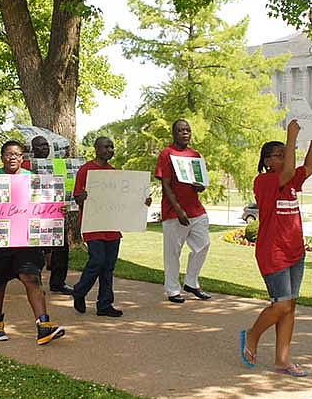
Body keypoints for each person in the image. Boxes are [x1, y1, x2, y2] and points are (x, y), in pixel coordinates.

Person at [240, 118, 312, 377]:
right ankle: (252, 335)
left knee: (290, 306)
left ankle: (283, 361)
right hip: (272, 252)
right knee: (281, 305)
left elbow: (308, 166)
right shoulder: (264, 182)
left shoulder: (291, 182)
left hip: (295, 252)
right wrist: (290, 138)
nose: (286, 157)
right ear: (267, 161)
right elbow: (287, 172)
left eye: (285, 154)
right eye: (279, 155)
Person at [0, 140, 65, 345]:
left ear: (23, 158)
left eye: (17, 154)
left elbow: (45, 207)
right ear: (2, 156)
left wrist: (57, 210)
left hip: (26, 242)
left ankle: (43, 326)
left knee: (32, 278)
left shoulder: (32, 180)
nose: (12, 157)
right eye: (8, 154)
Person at [72, 137, 151, 317]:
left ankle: (105, 304)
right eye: (106, 147)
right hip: (93, 225)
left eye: (112, 147)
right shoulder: (86, 170)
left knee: (108, 266)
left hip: (112, 226)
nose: (110, 150)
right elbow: (77, 198)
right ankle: (79, 291)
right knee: (97, 261)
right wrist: (82, 197)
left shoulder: (114, 173)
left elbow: (123, 200)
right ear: (96, 149)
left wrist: (142, 202)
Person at [155, 119, 212, 303]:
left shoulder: (195, 155)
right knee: (173, 253)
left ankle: (191, 282)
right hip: (174, 213)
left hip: (196, 210)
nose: (185, 133)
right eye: (180, 130)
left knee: (203, 244)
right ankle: (172, 290)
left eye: (187, 130)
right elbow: (165, 184)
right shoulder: (167, 154)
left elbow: (200, 184)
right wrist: (178, 210)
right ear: (174, 133)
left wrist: (199, 187)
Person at [23, 135, 74, 295]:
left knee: (62, 248)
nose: (43, 148)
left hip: (56, 214)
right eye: (39, 146)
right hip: (35, 214)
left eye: (46, 145)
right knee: (36, 251)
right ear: (32, 149)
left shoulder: (58, 165)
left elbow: (67, 185)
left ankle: (58, 282)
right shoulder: (26, 165)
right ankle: (36, 283)